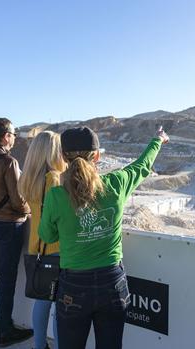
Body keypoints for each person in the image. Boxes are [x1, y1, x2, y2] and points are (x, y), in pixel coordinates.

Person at [39, 126, 169, 349]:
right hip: (113, 283)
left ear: (62, 157)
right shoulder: (116, 183)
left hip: (73, 286)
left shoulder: (56, 195)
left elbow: (47, 235)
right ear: (97, 155)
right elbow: (142, 166)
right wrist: (157, 140)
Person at [0, 118, 33, 347]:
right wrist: (30, 210)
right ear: (5, 136)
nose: (14, 137)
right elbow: (18, 199)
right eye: (13, 133)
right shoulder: (8, 162)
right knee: (7, 280)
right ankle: (5, 331)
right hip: (9, 225)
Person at [18, 131, 66, 349]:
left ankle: (39, 345)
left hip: (36, 247)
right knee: (60, 305)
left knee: (42, 300)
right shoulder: (55, 179)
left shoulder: (28, 178)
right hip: (57, 246)